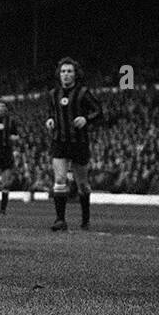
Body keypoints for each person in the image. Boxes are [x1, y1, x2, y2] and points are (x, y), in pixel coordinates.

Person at [45, 58, 101, 231]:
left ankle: (85, 219)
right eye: (63, 71)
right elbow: (51, 113)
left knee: (82, 184)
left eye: (69, 71)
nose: (66, 74)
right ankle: (60, 220)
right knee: (60, 179)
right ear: (59, 74)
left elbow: (98, 112)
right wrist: (50, 121)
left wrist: (86, 118)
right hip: (59, 142)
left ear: (75, 74)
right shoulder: (53, 94)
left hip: (79, 143)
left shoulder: (83, 93)